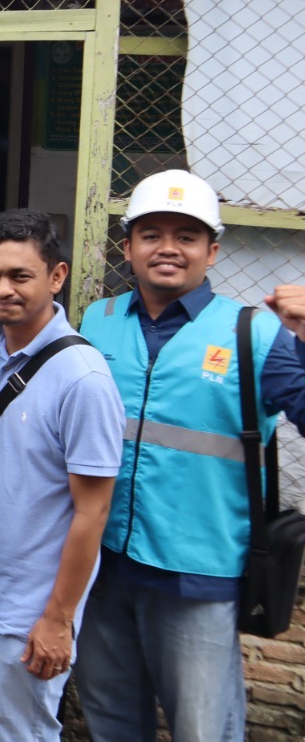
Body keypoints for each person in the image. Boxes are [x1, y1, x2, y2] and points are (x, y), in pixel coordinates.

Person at [74, 171, 305, 742]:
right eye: (152, 234)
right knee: (109, 721)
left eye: (187, 236)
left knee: (202, 729)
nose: (168, 248)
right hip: (101, 566)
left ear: (213, 251)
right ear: (127, 247)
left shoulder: (253, 333)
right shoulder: (98, 321)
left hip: (197, 573)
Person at [0, 209, 123, 742]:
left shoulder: (83, 379)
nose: (2, 289)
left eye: (20, 276)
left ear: (56, 276)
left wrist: (58, 618)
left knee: (23, 731)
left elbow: (93, 510)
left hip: (30, 607)